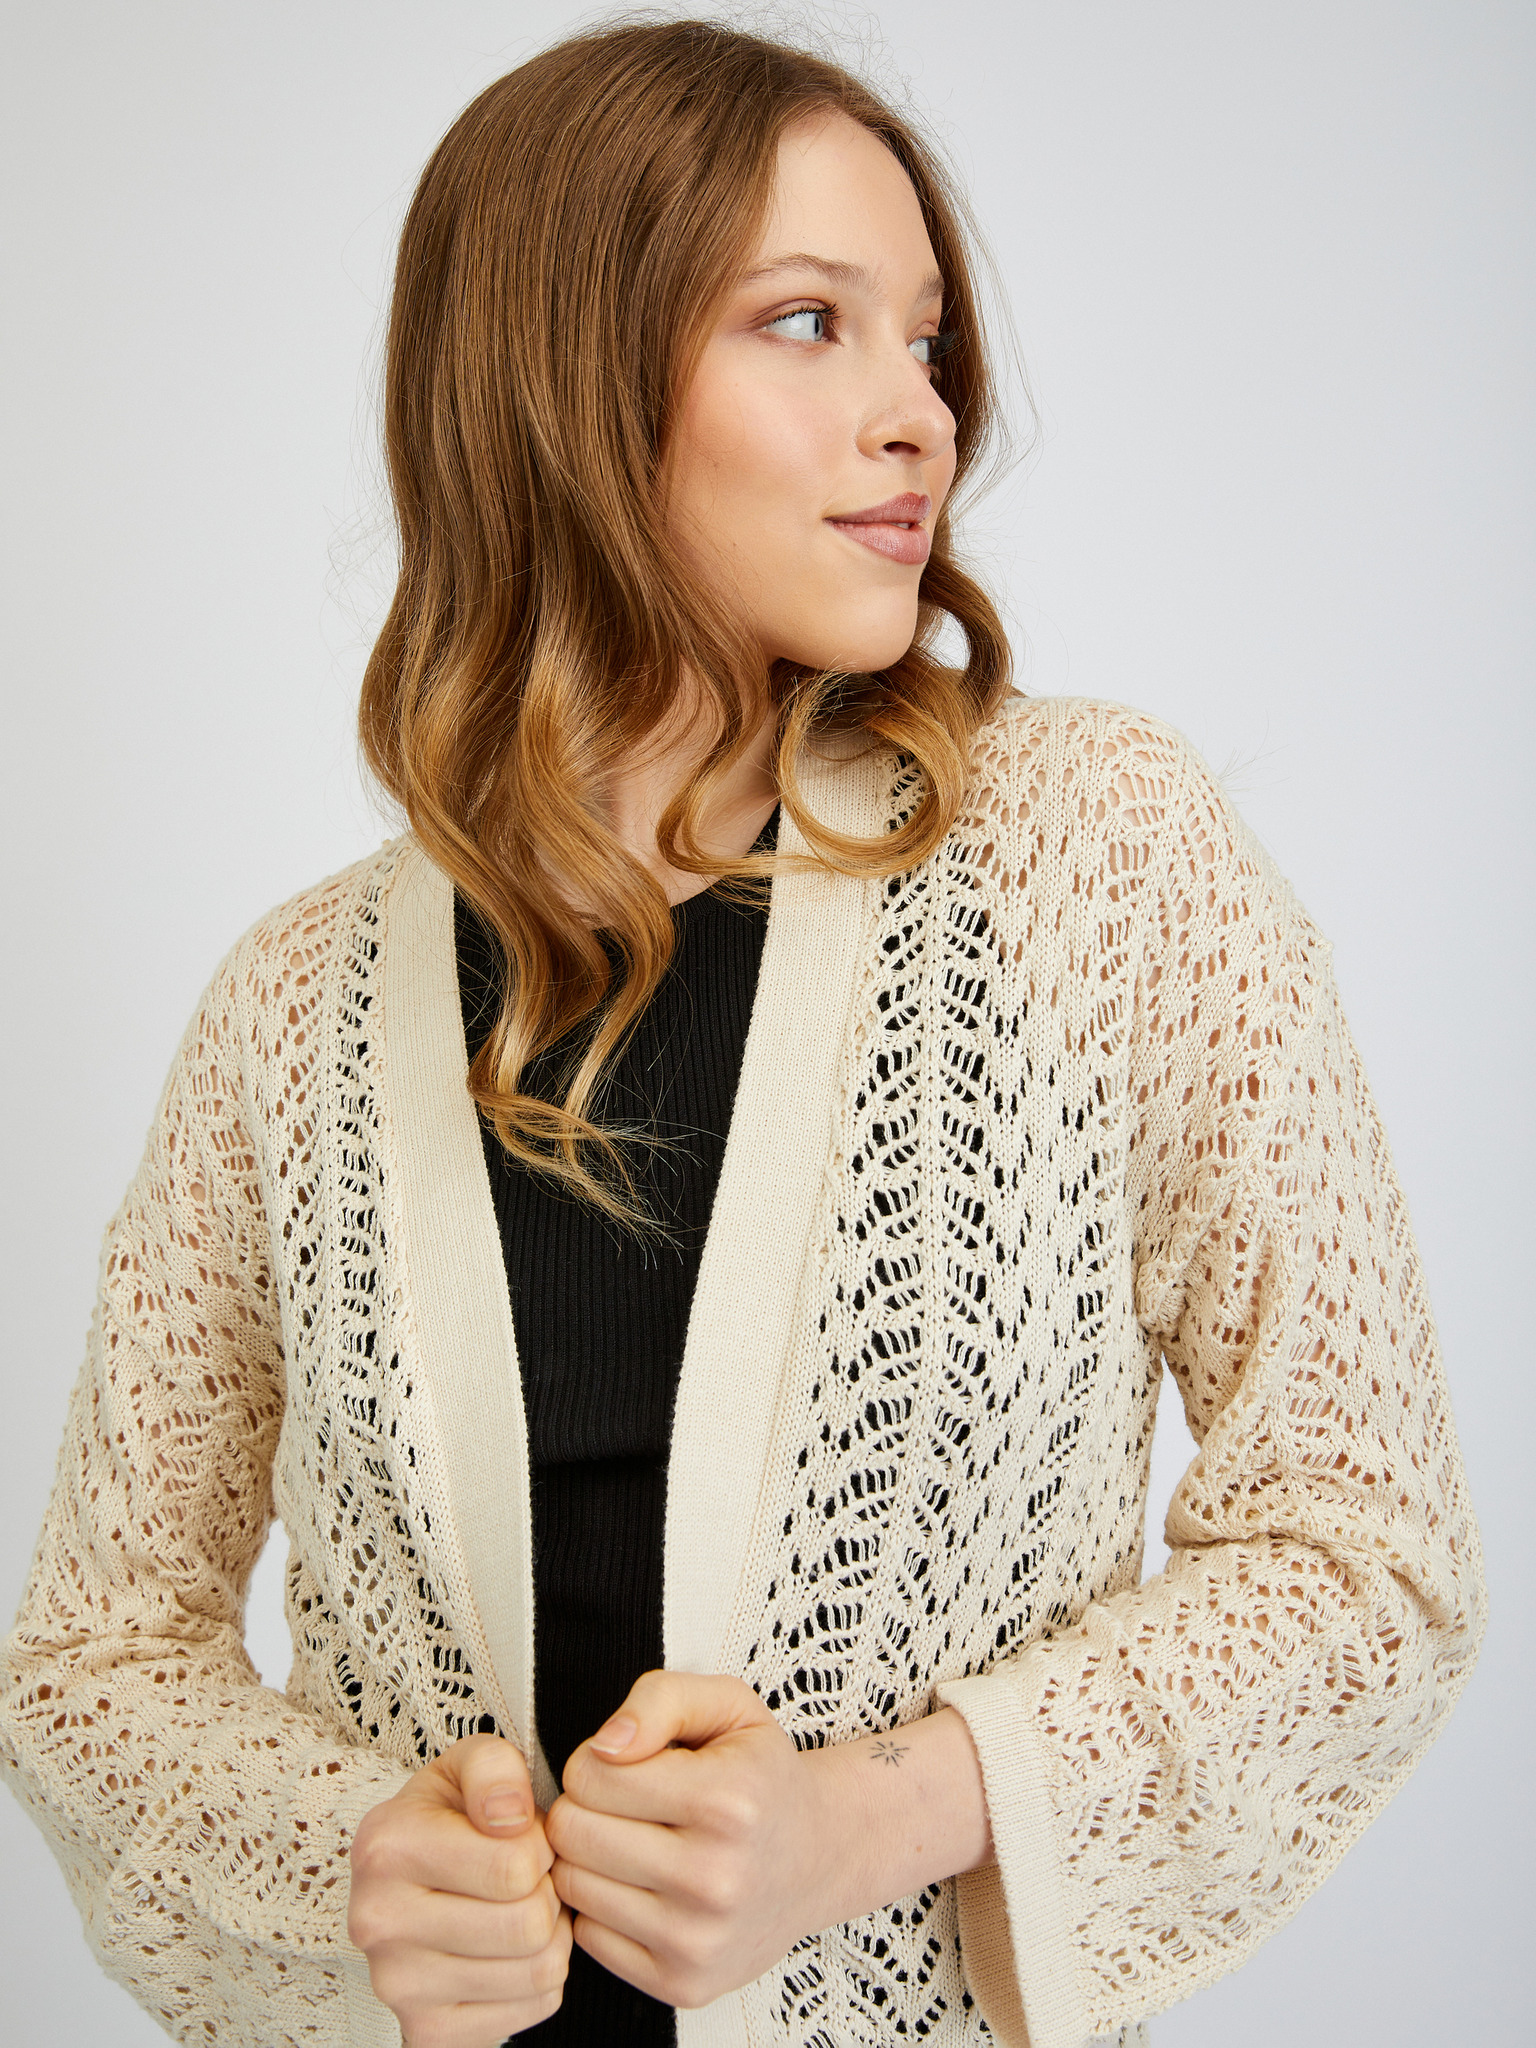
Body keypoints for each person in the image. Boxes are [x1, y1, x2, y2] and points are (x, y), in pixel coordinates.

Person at [0, 17, 1486, 2048]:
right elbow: (95, 1662)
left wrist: (874, 1820)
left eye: (927, 342)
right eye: (810, 322)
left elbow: (1364, 1545)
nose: (919, 417)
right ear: (564, 377)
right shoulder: (292, 1011)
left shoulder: (1103, 862)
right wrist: (354, 1861)